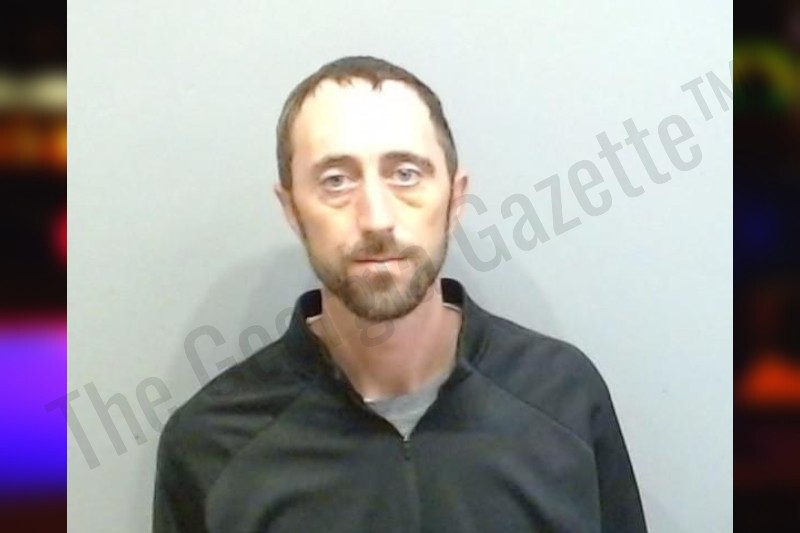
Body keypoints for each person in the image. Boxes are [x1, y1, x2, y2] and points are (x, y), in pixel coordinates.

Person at [152, 55, 648, 533]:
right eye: (336, 180)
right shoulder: (212, 444)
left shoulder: (563, 397)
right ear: (292, 210)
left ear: (455, 198)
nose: (377, 218)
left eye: (406, 174)